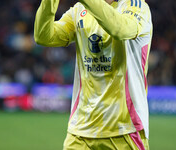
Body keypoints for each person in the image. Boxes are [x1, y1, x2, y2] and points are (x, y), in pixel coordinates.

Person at [34, 0, 153, 149]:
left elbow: (120, 29)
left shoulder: (137, 6)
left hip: (125, 129)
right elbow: (44, 37)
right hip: (80, 131)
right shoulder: (79, 10)